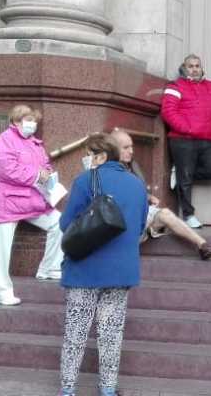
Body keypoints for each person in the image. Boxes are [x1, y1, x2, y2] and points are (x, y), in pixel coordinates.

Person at [58, 134, 148, 396]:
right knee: (111, 333)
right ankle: (108, 389)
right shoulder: (137, 184)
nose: (85, 159)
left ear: (99, 155)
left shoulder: (85, 180)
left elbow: (66, 225)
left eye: (88, 154)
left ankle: (68, 390)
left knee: (76, 333)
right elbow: (141, 227)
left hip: (84, 268)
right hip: (121, 270)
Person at [0, 105, 64, 306]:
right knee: (1, 250)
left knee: (61, 223)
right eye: (26, 120)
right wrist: (38, 175)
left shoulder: (34, 143)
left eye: (33, 120)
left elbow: (45, 164)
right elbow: (7, 170)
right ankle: (1, 292)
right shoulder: (3, 141)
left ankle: (49, 268)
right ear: (15, 121)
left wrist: (47, 174)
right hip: (6, 201)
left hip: (29, 199)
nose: (31, 124)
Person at [109, 129, 211, 260]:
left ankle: (202, 245)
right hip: (121, 230)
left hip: (138, 221)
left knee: (165, 214)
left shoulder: (131, 165)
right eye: (126, 148)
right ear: (112, 149)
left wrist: (148, 197)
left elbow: (135, 192)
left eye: (131, 146)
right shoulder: (104, 171)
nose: (131, 151)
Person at [160, 54, 211, 229]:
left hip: (208, 138)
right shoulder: (175, 86)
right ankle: (188, 215)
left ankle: (181, 173)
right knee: (186, 179)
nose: (194, 69)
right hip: (183, 140)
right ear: (184, 68)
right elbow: (168, 112)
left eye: (197, 65)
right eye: (190, 66)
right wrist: (188, 129)